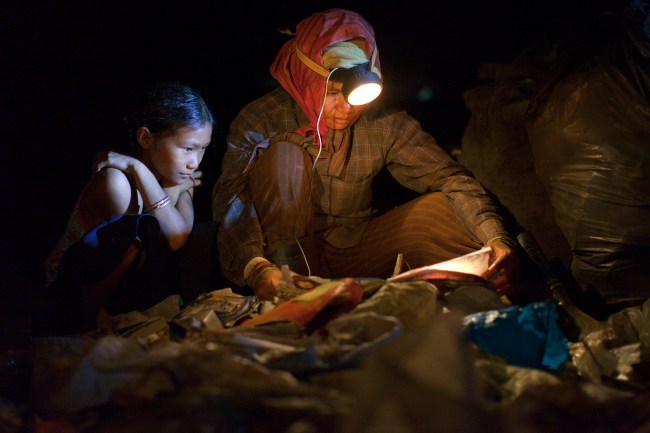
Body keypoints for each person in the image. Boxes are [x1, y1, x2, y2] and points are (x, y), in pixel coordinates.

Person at [212, 8, 520, 301]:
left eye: (354, 96)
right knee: (285, 160)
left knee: (446, 209)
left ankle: (484, 284)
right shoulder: (262, 119)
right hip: (282, 264)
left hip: (352, 246)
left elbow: (451, 179)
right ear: (308, 79)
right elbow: (231, 195)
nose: (346, 109)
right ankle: (288, 295)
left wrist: (497, 240)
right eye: (332, 93)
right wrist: (256, 267)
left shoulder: (383, 121)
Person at [42, 81, 214, 332]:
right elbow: (169, 237)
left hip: (121, 299)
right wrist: (139, 169)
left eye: (203, 149)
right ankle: (85, 332)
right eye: (187, 148)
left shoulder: (169, 179)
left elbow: (181, 232)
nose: (194, 162)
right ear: (145, 138)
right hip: (67, 298)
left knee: (206, 237)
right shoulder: (116, 182)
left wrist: (176, 188)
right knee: (134, 239)